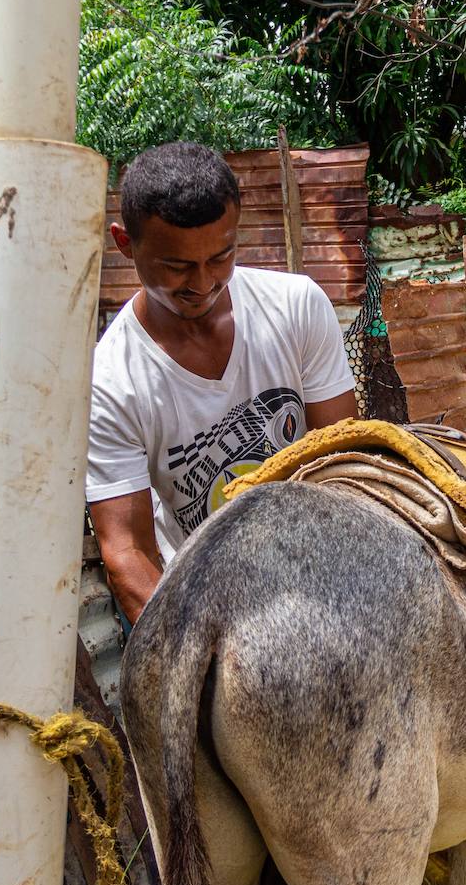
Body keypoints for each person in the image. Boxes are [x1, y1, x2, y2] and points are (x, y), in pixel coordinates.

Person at [86, 142, 358, 624]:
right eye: (177, 267)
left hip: (325, 569)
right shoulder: (109, 385)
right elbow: (128, 556)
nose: (204, 282)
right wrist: (198, 659)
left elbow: (343, 467)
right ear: (125, 243)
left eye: (221, 256)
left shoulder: (296, 308)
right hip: (203, 600)